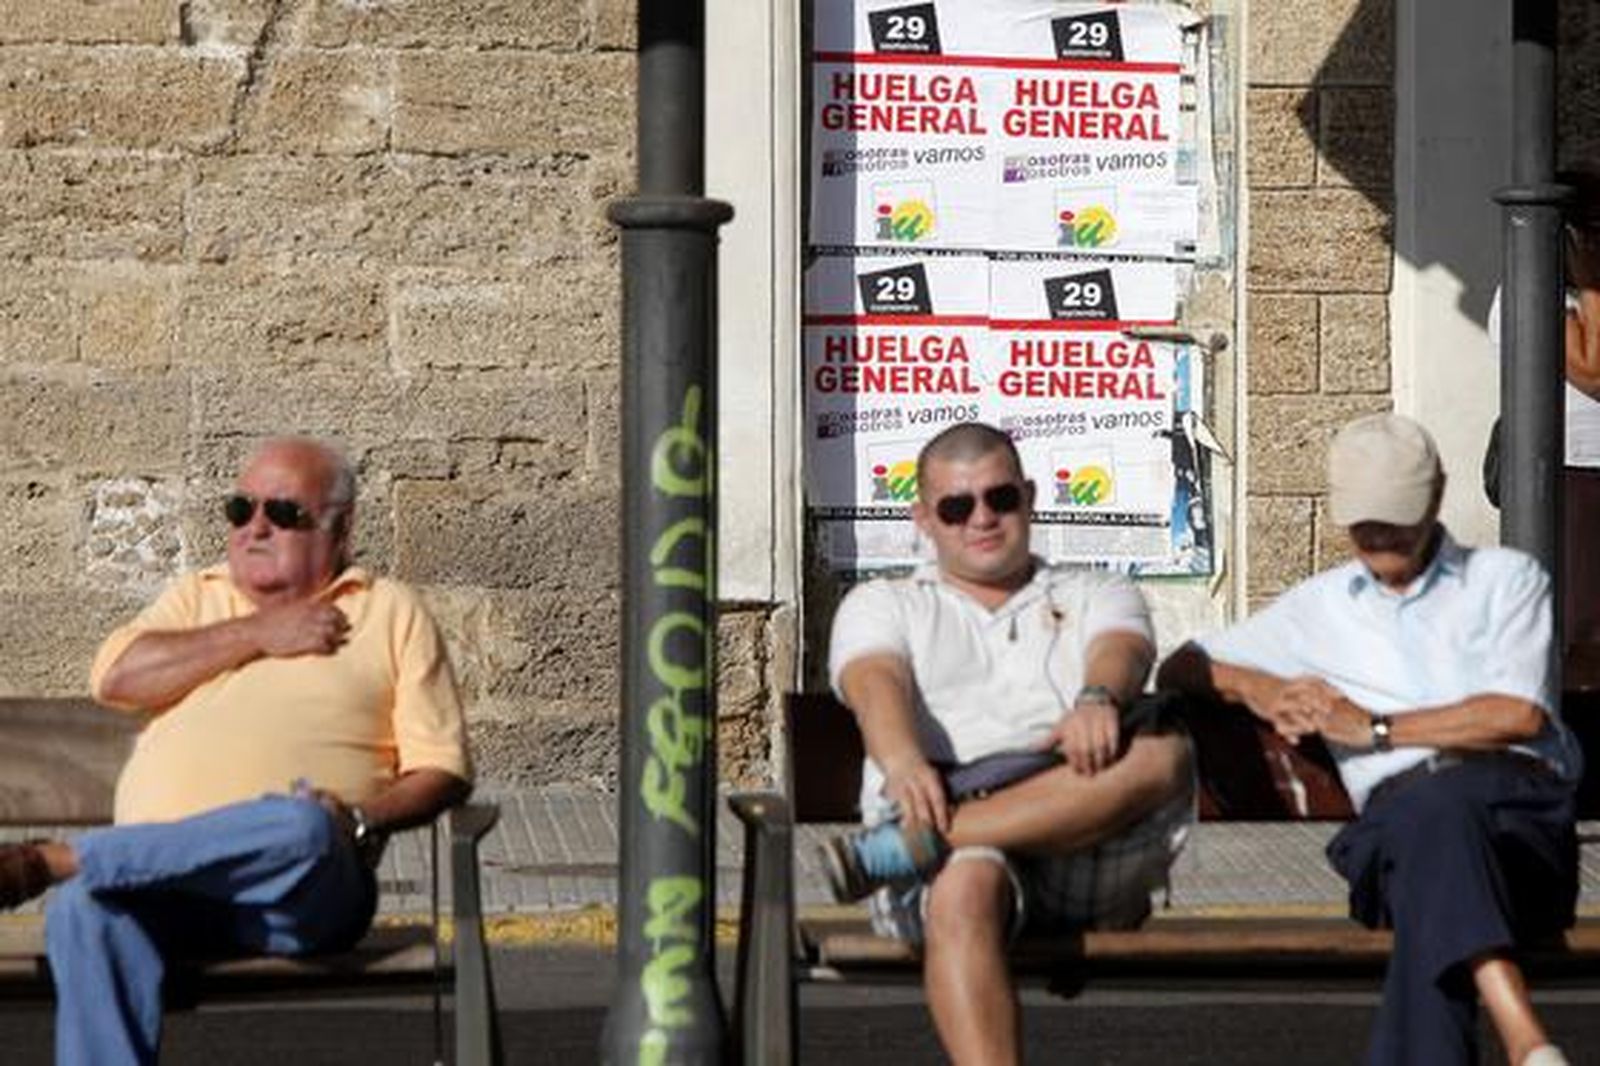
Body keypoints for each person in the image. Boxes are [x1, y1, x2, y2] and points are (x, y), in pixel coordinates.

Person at [0, 437, 473, 1066]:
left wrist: (357, 821)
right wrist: (257, 632)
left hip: (298, 889)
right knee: (85, 911)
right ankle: (75, 870)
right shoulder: (201, 595)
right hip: (163, 888)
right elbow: (117, 677)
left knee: (300, 823)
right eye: (240, 509)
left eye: (283, 513)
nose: (254, 528)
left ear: (341, 527)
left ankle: (49, 861)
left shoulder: (389, 612)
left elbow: (441, 770)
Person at [1161, 413, 1581, 1066]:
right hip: (1396, 835)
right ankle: (1523, 1036)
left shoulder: (1505, 580)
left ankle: (1523, 1032)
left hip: (1514, 822)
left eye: (1397, 514)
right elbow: (1183, 665)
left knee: (1431, 823)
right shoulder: (1320, 605)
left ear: (1438, 494)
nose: (1381, 535)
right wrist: (1264, 690)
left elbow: (1518, 715)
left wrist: (1377, 730)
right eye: (1365, 520)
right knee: (1426, 820)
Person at [821, 421, 1193, 1065]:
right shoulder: (885, 602)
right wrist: (903, 760)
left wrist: (1098, 698)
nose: (982, 519)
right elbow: (871, 677)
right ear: (924, 518)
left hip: (1085, 854)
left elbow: (1121, 647)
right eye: (957, 506)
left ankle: (918, 843)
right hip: (945, 865)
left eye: (1001, 498)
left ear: (1030, 496)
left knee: (1165, 754)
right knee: (966, 884)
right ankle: (946, 840)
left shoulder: (1095, 591)